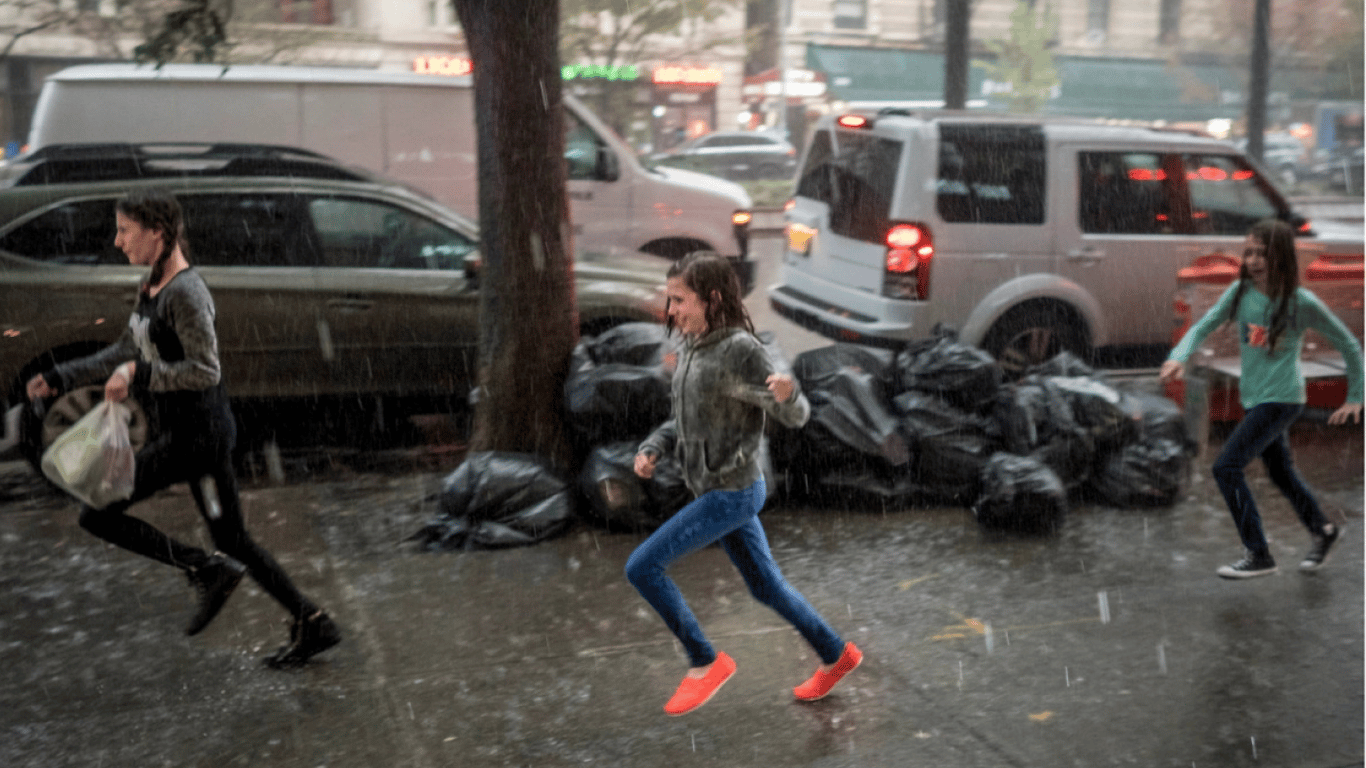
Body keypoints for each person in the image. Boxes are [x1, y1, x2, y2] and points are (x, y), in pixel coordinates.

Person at [26, 191, 341, 666]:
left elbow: (206, 370)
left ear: (157, 231)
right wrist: (60, 376)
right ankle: (311, 621)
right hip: (185, 434)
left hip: (200, 437)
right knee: (233, 539)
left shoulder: (187, 293)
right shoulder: (152, 285)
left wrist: (141, 374)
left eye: (125, 230)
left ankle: (205, 569)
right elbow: (123, 349)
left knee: (99, 514)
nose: (117, 241)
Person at [626, 252, 861, 716]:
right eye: (669, 299)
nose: (670, 310)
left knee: (643, 567)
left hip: (731, 491)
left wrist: (789, 394)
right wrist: (654, 445)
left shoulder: (740, 349)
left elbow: (795, 415)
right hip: (720, 488)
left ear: (712, 299)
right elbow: (685, 419)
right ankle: (837, 655)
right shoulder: (694, 344)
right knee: (766, 588)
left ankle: (704, 662)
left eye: (680, 300)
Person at [1160, 218, 1363, 579]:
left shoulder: (1301, 302)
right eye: (1249, 252)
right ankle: (1324, 530)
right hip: (1254, 397)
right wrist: (1179, 355)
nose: (1253, 260)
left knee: (1226, 468)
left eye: (1262, 253)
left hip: (1283, 398)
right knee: (1281, 473)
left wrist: (1356, 395)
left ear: (1280, 257)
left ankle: (1258, 554)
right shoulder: (1240, 293)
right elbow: (1203, 325)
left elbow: (1348, 343)